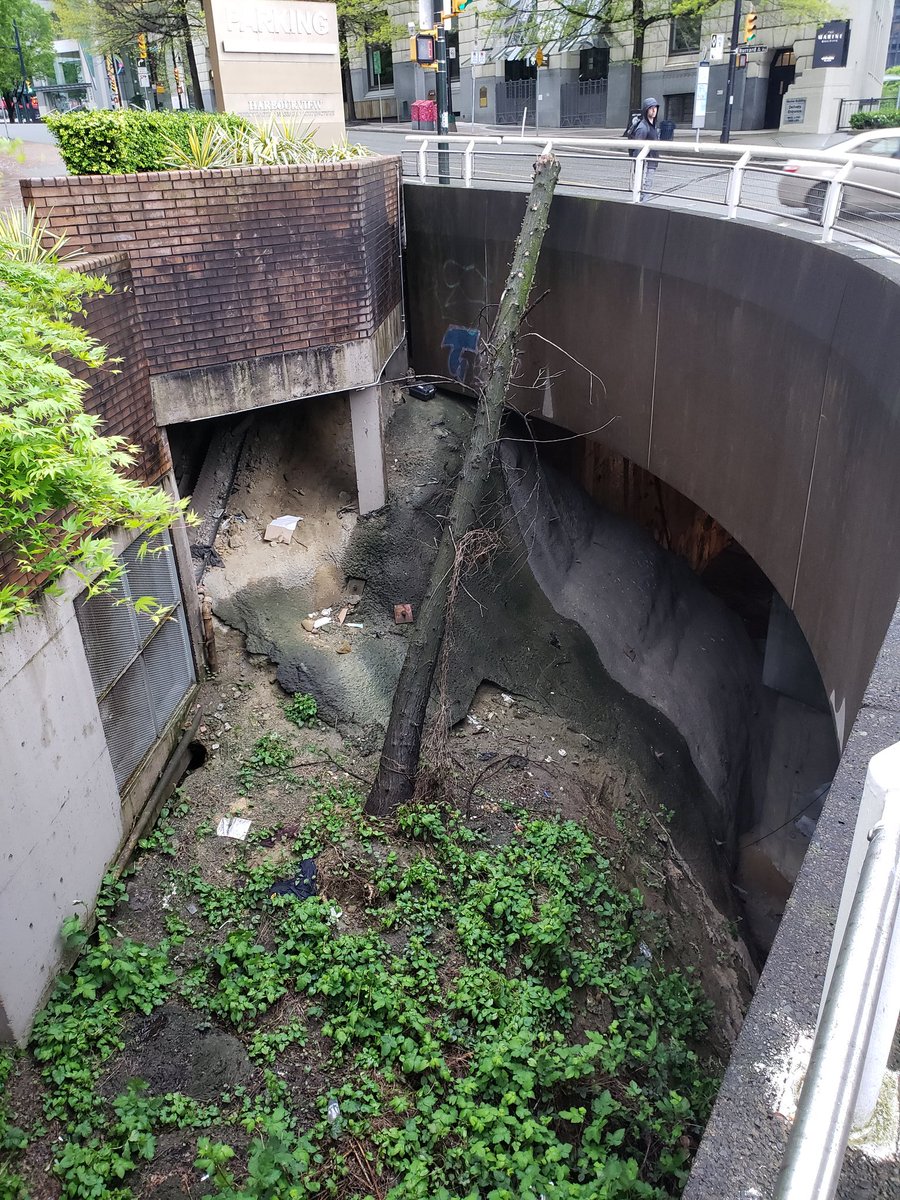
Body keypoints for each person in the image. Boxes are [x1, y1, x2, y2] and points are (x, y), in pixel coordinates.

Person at [631, 97, 660, 203]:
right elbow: (638, 150)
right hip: (646, 164)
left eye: (655, 107)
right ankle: (641, 205)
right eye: (651, 108)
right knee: (645, 187)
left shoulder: (653, 125)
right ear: (646, 110)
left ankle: (642, 203)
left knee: (647, 187)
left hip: (651, 162)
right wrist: (639, 167)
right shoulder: (643, 127)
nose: (654, 110)